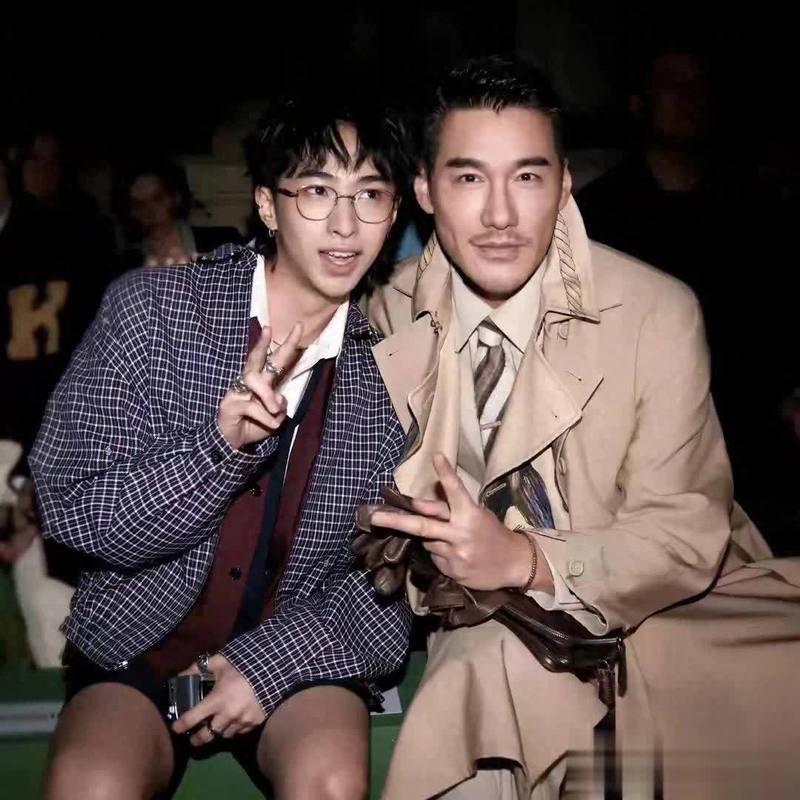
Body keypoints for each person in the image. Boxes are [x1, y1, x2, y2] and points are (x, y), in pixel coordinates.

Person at [366, 56, 800, 799]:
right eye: (469, 178)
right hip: (482, 629)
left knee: (491, 681)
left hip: (659, 618)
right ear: (425, 190)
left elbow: (681, 531)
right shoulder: (386, 312)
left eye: (528, 177)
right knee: (482, 678)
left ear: (564, 184)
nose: (500, 215)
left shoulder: (655, 312)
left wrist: (527, 560)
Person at [30, 97, 411, 800]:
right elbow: (72, 510)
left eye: (369, 195)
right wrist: (218, 450)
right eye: (317, 191)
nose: (345, 224)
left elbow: (386, 583)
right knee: (90, 785)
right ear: (267, 205)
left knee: (331, 781)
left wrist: (268, 666)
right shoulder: (153, 310)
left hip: (292, 655)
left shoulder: (391, 372)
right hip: (140, 644)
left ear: (394, 213)